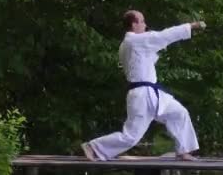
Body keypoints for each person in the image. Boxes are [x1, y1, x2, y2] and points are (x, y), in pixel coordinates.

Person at [80, 10, 206, 161]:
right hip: (141, 95)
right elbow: (164, 35)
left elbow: (146, 57)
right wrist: (191, 26)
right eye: (142, 21)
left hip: (150, 93)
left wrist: (157, 48)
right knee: (131, 136)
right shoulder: (134, 41)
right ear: (134, 24)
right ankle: (93, 146)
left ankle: (183, 150)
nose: (145, 25)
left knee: (179, 113)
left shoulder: (129, 44)